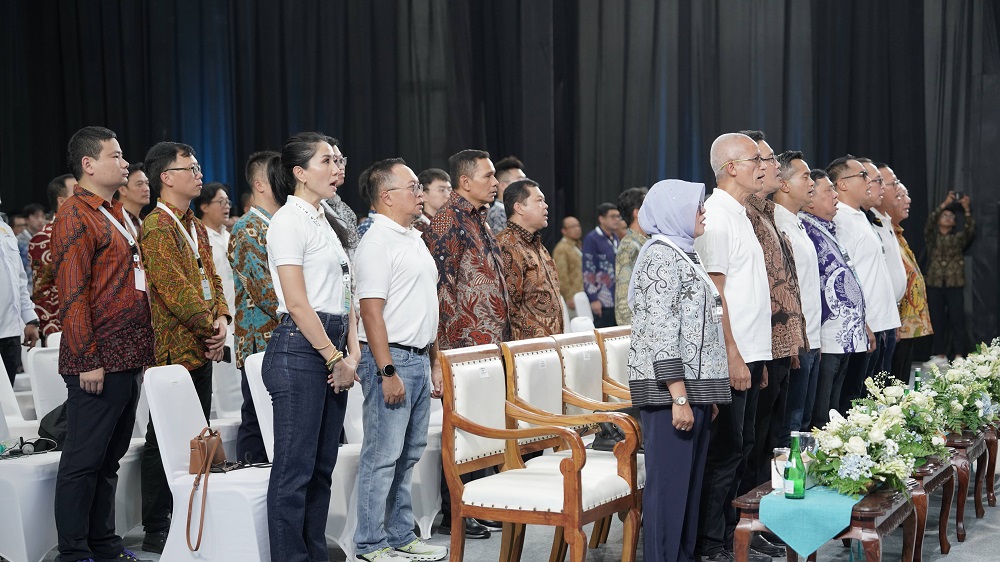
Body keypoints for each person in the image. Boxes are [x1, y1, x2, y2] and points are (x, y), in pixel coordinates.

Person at [52, 125, 153, 562]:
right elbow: (72, 294)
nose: (125, 163)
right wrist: (86, 358)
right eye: (116, 156)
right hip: (98, 359)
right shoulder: (75, 214)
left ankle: (105, 543)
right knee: (84, 461)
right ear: (88, 164)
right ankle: (74, 551)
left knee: (109, 458)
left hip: (128, 355)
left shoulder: (115, 212)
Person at [263, 132, 361, 559]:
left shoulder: (326, 219)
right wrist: (335, 356)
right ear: (300, 173)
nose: (337, 168)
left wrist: (353, 352)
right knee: (295, 472)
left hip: (332, 345)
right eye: (327, 161)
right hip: (301, 350)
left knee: (321, 469)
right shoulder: (288, 220)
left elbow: (346, 293)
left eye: (339, 160)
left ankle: (314, 553)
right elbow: (298, 303)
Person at [628, 179, 731, 562]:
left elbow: (698, 327)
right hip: (669, 394)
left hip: (690, 391)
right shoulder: (660, 256)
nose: (703, 212)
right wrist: (681, 397)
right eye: (696, 206)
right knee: (669, 494)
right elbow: (661, 331)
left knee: (687, 494)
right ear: (674, 212)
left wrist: (706, 393)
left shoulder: (684, 253)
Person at [353, 158, 447, 562]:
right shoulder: (376, 241)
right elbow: (370, 312)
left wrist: (435, 361)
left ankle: (399, 533)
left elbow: (427, 305)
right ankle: (370, 543)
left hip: (419, 357)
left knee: (408, 454)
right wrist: (387, 370)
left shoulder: (413, 237)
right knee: (382, 456)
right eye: (413, 187)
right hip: (392, 359)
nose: (420, 193)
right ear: (387, 196)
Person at [139, 141, 230, 554]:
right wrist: (210, 327)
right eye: (189, 168)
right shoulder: (157, 226)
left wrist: (222, 318)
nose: (198, 174)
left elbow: (212, 276)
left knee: (197, 435)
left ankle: (193, 512)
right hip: (174, 350)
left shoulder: (193, 224)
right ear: (166, 177)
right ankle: (157, 524)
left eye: (197, 167)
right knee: (164, 438)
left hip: (202, 342)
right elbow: (173, 289)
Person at [694, 133, 771, 562]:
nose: (763, 166)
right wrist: (733, 355)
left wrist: (757, 356)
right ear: (731, 168)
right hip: (730, 356)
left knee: (743, 450)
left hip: (750, 353)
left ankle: (732, 539)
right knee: (725, 455)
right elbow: (715, 295)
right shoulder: (718, 216)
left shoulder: (741, 213)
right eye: (755, 159)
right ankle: (711, 545)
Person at [424, 149, 509, 539]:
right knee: (461, 430)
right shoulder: (447, 221)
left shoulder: (478, 219)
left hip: (487, 345)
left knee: (482, 427)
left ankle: (478, 501)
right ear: (465, 181)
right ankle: (455, 509)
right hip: (461, 346)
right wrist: (440, 356)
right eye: (488, 176)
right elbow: (440, 292)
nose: (495, 183)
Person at [738, 133, 807, 523]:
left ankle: (764, 519)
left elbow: (785, 282)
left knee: (769, 439)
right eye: (762, 158)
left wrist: (793, 341)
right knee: (754, 442)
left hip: (780, 344)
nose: (772, 166)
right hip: (758, 344)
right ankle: (748, 522)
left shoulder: (766, 213)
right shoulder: (743, 214)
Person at [801, 169, 872, 427]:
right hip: (826, 336)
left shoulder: (827, 228)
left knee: (836, 410)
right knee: (821, 415)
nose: (835, 195)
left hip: (845, 336)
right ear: (810, 199)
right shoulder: (806, 229)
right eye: (828, 190)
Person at [227, 150, 282, 464]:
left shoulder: (281, 223)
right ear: (260, 184)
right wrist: (304, 314)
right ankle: (250, 474)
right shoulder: (248, 227)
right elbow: (264, 291)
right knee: (257, 416)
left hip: (285, 334)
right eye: (279, 175)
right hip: (261, 339)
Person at [830, 156, 898, 411]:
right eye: (863, 176)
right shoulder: (841, 219)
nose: (869, 181)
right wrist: (863, 321)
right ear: (843, 184)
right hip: (863, 324)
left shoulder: (860, 216)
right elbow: (845, 276)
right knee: (855, 399)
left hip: (879, 322)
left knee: (873, 399)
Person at [772, 152, 821, 435]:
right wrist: (795, 342)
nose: (812, 183)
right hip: (795, 342)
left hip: (811, 338)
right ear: (784, 184)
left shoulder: (797, 221)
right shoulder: (777, 224)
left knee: (803, 425)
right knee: (789, 427)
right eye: (806, 177)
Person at [496, 178, 564, 338]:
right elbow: (508, 308)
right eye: (539, 200)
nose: (545, 206)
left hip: (548, 345)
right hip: (527, 348)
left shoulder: (537, 245)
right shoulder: (507, 245)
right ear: (519, 207)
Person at [887, 182, 933, 382]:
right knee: (893, 380)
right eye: (900, 196)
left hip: (906, 323)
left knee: (903, 379)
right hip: (895, 321)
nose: (908, 200)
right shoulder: (883, 231)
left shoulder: (896, 233)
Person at [924, 191, 974, 366]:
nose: (948, 218)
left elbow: (970, 229)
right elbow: (930, 220)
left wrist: (966, 209)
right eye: (944, 215)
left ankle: (959, 355)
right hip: (935, 282)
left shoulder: (957, 239)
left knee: (957, 319)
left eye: (951, 216)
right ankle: (940, 355)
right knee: (937, 319)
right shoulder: (932, 237)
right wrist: (945, 203)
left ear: (954, 222)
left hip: (954, 283)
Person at [28, 173, 75, 339]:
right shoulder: (45, 238)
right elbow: (42, 292)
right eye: (77, 192)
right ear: (62, 201)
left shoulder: (87, 231)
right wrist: (52, 333)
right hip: (64, 330)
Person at [0, 195, 38, 383]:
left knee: (8, 395)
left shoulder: (6, 230)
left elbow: (19, 279)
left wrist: (29, 319)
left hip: (11, 332)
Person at [195, 182, 237, 315]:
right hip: (214, 315)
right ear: (204, 207)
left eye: (227, 202)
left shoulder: (230, 237)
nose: (227, 206)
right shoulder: (198, 239)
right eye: (221, 202)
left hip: (237, 314)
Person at [583, 203, 622, 328]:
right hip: (602, 299)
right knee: (604, 335)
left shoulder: (615, 238)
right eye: (613, 216)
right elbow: (588, 269)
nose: (617, 220)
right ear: (601, 219)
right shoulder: (592, 239)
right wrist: (594, 298)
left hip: (617, 299)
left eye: (618, 216)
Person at [614, 187, 649, 325]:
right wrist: (629, 328)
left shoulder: (644, 242)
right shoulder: (629, 246)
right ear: (637, 212)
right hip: (635, 327)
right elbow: (623, 291)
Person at [320, 138, 361, 256]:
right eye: (334, 161)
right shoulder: (313, 207)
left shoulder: (346, 209)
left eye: (341, 160)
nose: (341, 167)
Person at [486, 155, 526, 234]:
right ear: (503, 186)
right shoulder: (497, 214)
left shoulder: (514, 212)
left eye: (525, 179)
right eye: (520, 180)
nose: (525, 184)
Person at [553, 216, 583, 312]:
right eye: (572, 227)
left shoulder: (578, 245)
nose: (577, 229)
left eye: (578, 226)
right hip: (572, 298)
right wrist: (569, 296)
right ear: (564, 231)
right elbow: (561, 275)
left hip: (581, 294)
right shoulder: (561, 248)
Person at [18, 203, 47, 283]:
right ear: (27, 219)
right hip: (26, 284)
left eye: (42, 216)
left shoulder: (46, 238)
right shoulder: (19, 241)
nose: (40, 220)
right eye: (36, 217)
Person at [118, 162, 151, 231]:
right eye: (139, 184)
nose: (147, 189)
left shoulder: (145, 222)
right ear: (122, 190)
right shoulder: (114, 220)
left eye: (147, 183)